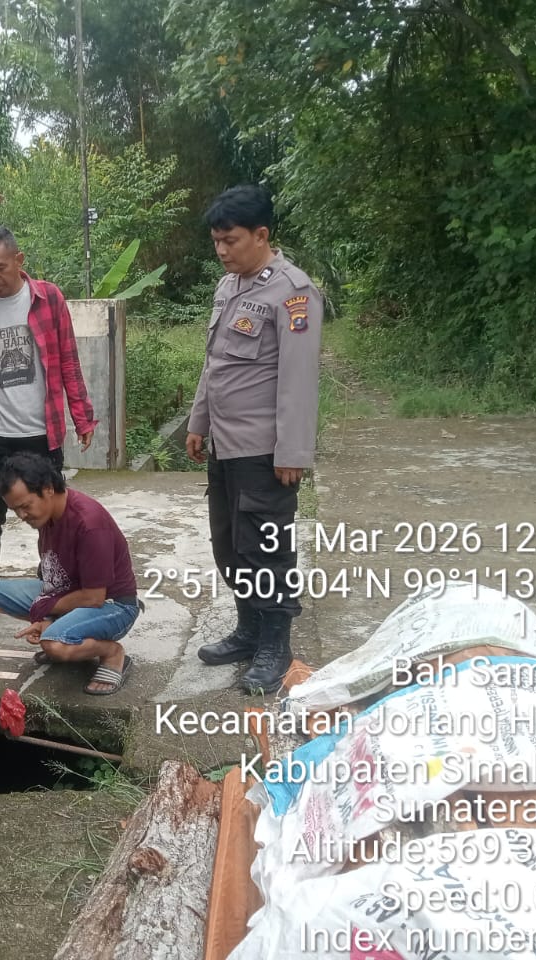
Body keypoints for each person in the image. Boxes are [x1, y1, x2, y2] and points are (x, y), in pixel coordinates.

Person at [186, 185, 323, 693]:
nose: (221, 251)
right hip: (225, 445)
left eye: (231, 240)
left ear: (261, 235)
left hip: (265, 451)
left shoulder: (293, 292)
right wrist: (198, 422)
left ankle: (275, 645)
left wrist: (293, 451)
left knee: (267, 550)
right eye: (216, 241)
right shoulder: (229, 287)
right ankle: (247, 631)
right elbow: (215, 365)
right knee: (230, 546)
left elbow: (298, 380)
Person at [0, 225, 98, 627]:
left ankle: (50, 591)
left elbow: (68, 360)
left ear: (18, 260)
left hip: (42, 432)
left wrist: (82, 415)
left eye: (0, 267)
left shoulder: (49, 298)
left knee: (51, 515)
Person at [0, 452, 139, 695]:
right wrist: (47, 618)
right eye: (15, 510)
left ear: (48, 489)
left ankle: (112, 653)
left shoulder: (89, 523)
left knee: (54, 645)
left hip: (112, 605)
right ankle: (63, 631)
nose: (22, 516)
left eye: (25, 506)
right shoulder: (47, 515)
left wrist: (44, 613)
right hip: (67, 591)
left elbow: (94, 598)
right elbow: (50, 574)